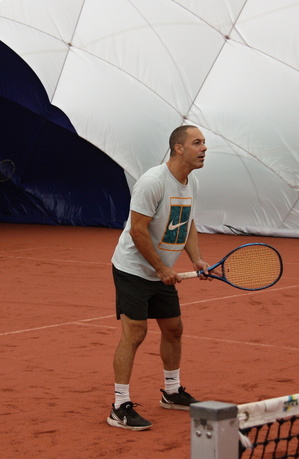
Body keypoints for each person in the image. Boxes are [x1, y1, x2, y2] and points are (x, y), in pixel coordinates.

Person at [107, 125, 212, 431]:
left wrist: (197, 259)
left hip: (159, 271)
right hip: (132, 269)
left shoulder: (191, 183)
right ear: (179, 148)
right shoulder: (153, 181)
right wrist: (161, 269)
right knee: (135, 333)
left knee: (174, 329)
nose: (204, 148)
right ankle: (119, 406)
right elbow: (138, 230)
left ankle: (172, 391)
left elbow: (187, 223)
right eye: (197, 143)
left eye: (204, 143)